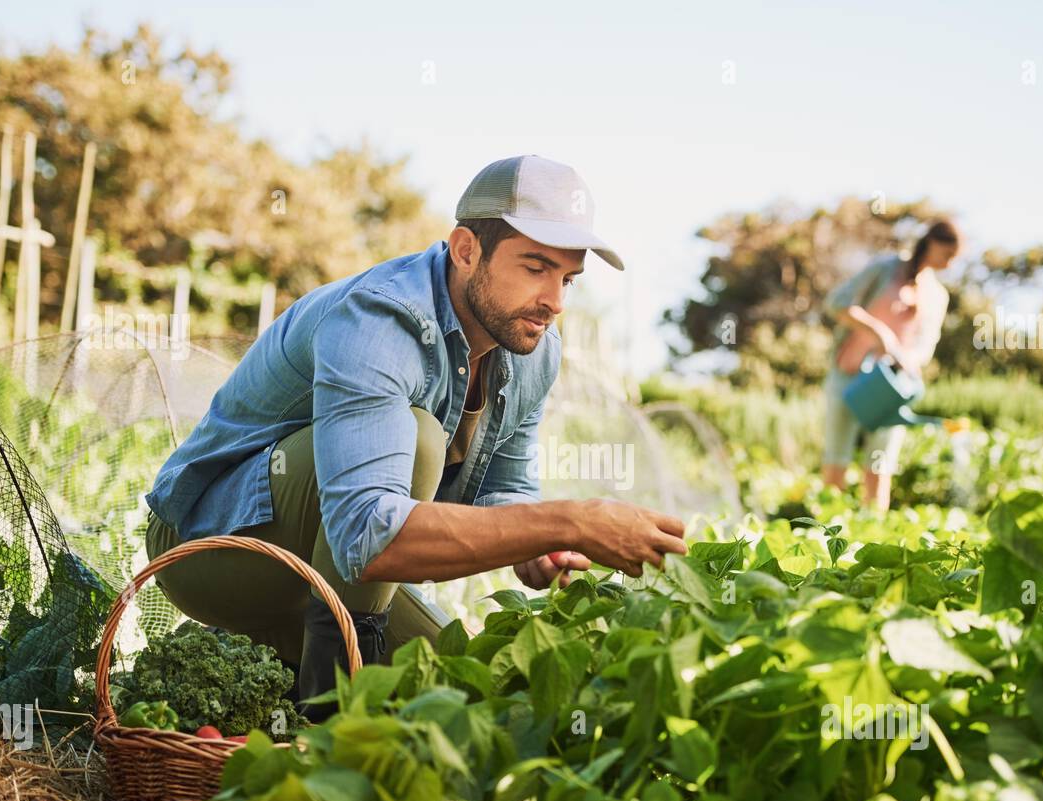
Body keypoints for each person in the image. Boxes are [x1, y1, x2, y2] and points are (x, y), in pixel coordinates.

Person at [143, 155, 687, 720]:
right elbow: (368, 535)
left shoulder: (533, 350)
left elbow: (507, 487)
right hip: (209, 544)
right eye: (535, 267)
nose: (555, 300)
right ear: (466, 249)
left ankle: (315, 689)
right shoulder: (379, 320)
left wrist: (540, 544)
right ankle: (331, 728)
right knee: (420, 437)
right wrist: (572, 520)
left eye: (568, 278)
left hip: (333, 576)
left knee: (462, 697)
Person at [820, 220, 960, 512]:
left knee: (880, 462)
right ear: (932, 242)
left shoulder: (937, 295)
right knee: (837, 455)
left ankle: (873, 532)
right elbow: (837, 303)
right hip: (849, 370)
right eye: (947, 253)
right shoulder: (885, 269)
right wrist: (879, 332)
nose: (950, 262)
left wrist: (908, 358)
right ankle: (827, 529)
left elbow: (926, 345)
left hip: (889, 385)